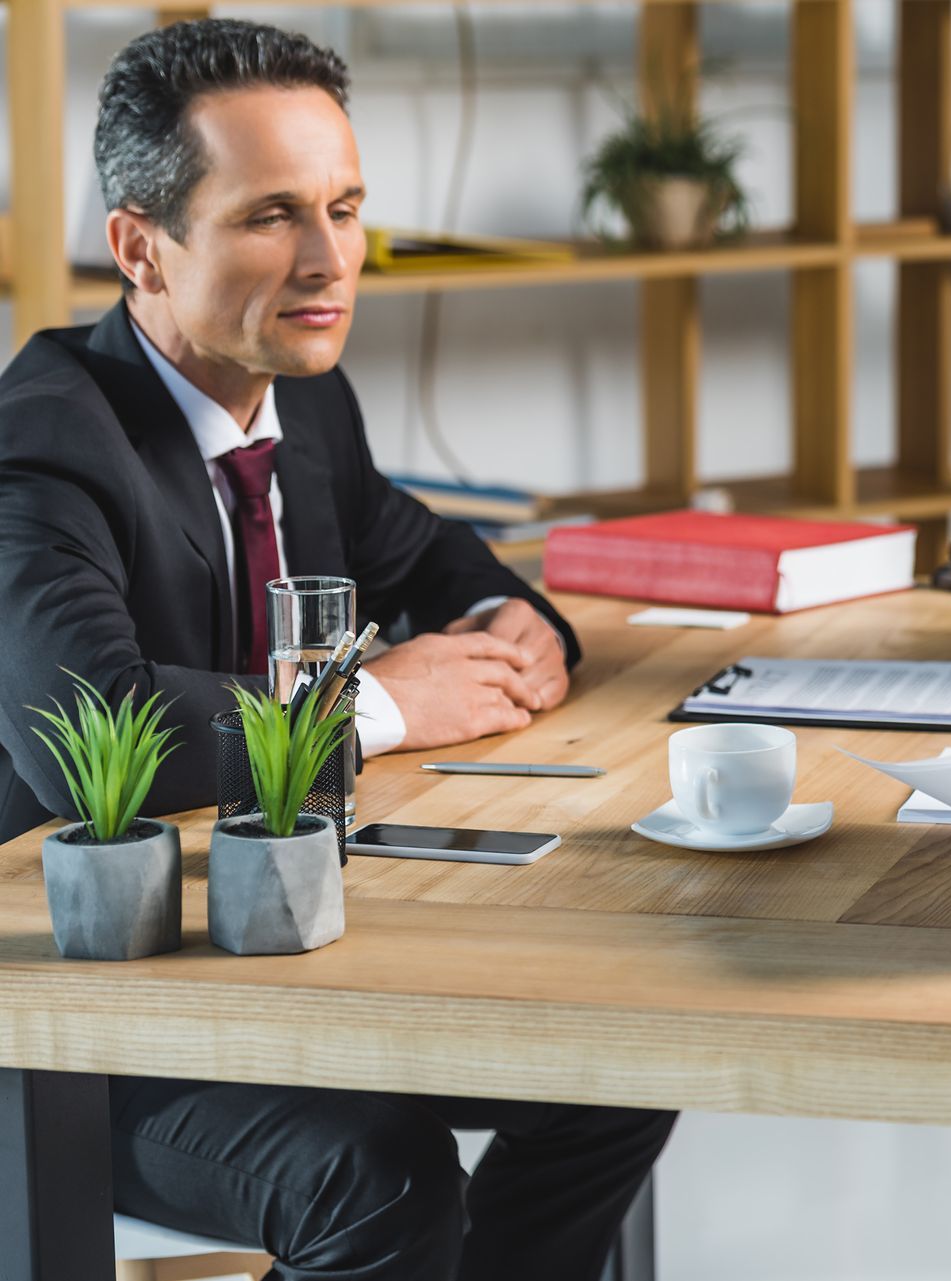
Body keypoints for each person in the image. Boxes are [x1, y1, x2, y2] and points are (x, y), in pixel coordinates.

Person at [0, 22, 673, 1278]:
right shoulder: (41, 443)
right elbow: (96, 729)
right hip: (74, 1008)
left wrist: (505, 626)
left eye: (347, 207)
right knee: (374, 1178)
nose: (330, 261)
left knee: (618, 1072)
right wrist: (375, 704)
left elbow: (428, 555)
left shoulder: (303, 396)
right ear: (140, 246)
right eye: (270, 216)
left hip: (267, 955)